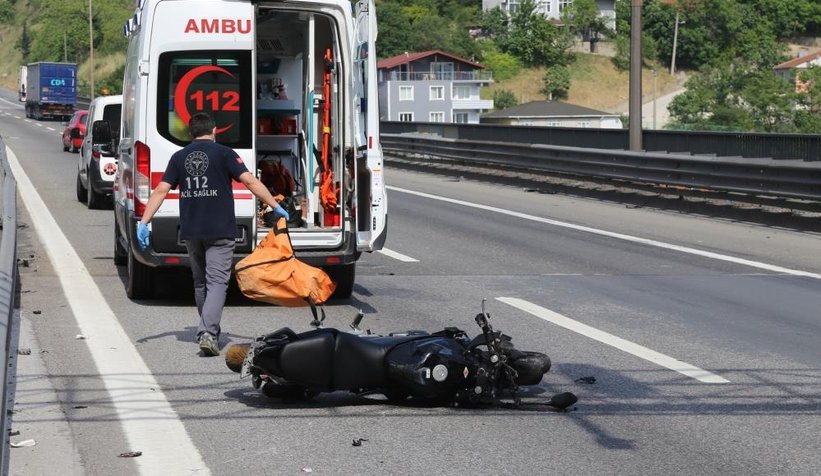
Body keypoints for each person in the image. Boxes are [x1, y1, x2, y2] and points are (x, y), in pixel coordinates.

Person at [136, 112, 289, 356]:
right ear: (214, 131)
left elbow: (161, 191)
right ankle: (207, 331)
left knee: (200, 282)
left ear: (190, 133)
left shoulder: (179, 157)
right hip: (220, 229)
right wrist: (274, 204)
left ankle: (209, 330)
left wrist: (144, 222)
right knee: (217, 281)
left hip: (191, 230)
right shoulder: (225, 153)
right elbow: (250, 181)